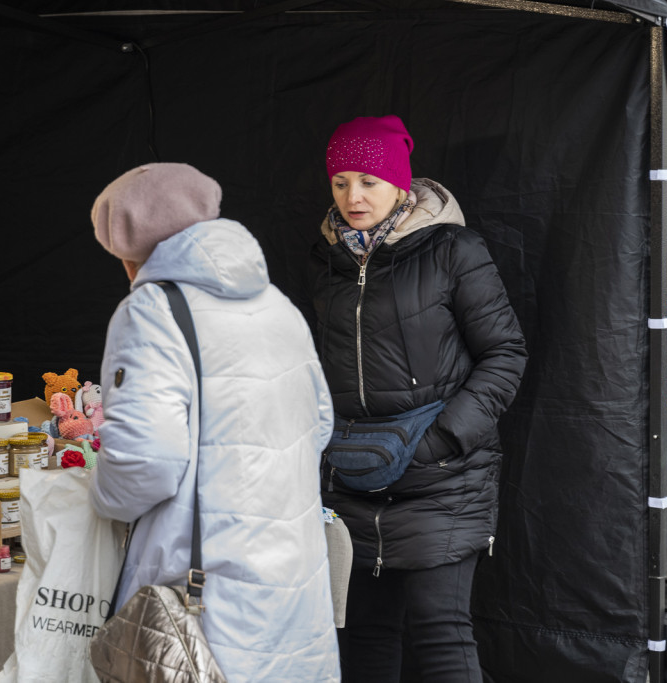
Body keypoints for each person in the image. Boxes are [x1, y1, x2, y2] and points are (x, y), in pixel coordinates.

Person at [294, 115, 528, 682]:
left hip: (440, 479)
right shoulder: (326, 262)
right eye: (341, 182)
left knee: (441, 635)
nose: (353, 196)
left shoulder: (453, 250)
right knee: (365, 637)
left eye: (369, 181)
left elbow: (506, 353)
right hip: (354, 477)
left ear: (401, 184)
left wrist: (442, 439)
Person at [88, 162, 340, 682]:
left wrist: (98, 495)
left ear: (127, 249)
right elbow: (320, 424)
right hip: (292, 571)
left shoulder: (151, 311)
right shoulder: (277, 304)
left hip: (207, 585)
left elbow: (144, 461)